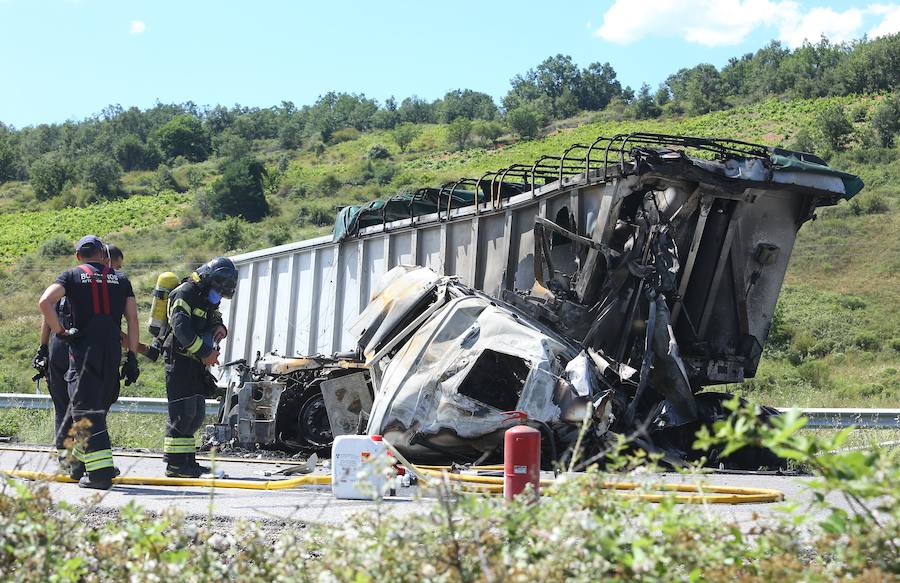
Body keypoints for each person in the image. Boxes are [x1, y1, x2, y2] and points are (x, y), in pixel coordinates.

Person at [38, 235, 141, 490]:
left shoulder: (71, 276)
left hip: (84, 355)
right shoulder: (122, 279)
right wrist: (133, 357)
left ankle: (100, 474)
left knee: (86, 413)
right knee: (97, 411)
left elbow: (45, 302)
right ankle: (78, 464)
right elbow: (133, 320)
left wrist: (60, 331)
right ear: (102, 255)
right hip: (111, 355)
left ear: (78, 256)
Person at [163, 256, 236, 477]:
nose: (218, 296)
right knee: (182, 413)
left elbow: (213, 315)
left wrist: (219, 327)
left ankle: (188, 462)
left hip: (195, 362)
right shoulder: (184, 293)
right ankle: (175, 465)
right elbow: (181, 328)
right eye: (217, 290)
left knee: (195, 414)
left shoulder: (206, 297)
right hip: (179, 359)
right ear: (207, 279)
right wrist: (205, 353)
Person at [32, 287, 74, 470]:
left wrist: (42, 347)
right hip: (78, 350)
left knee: (62, 407)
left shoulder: (58, 296)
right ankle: (81, 457)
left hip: (57, 348)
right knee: (83, 406)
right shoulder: (90, 292)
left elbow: (46, 320)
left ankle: (65, 457)